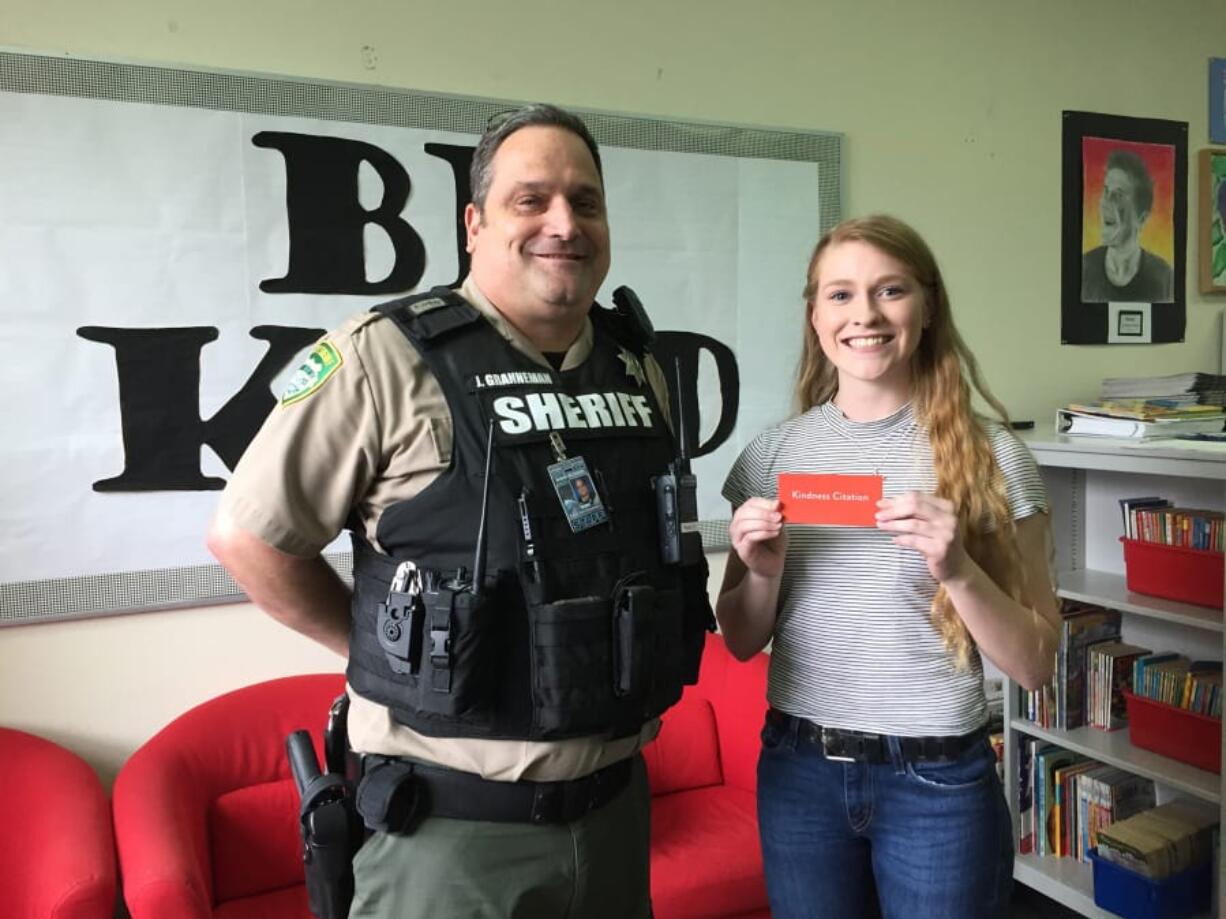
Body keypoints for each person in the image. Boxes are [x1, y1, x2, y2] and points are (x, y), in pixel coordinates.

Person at [207, 103, 711, 919]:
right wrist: (374, 645)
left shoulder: (635, 366)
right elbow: (249, 539)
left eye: (585, 201)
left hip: (616, 816)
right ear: (474, 222)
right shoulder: (384, 355)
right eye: (531, 199)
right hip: (449, 834)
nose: (564, 223)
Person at [716, 215, 1060, 919]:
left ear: (927, 306)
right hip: (799, 771)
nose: (865, 314)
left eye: (890, 290)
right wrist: (762, 571)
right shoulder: (771, 455)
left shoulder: (995, 457)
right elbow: (742, 639)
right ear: (815, 315)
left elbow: (1034, 664)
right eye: (840, 295)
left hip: (936, 782)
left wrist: (958, 567)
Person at [1081, 148, 1174, 303]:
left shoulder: (1165, 278)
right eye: (1105, 191)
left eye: (1118, 195)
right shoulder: (1083, 268)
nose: (1105, 202)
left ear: (1141, 218)